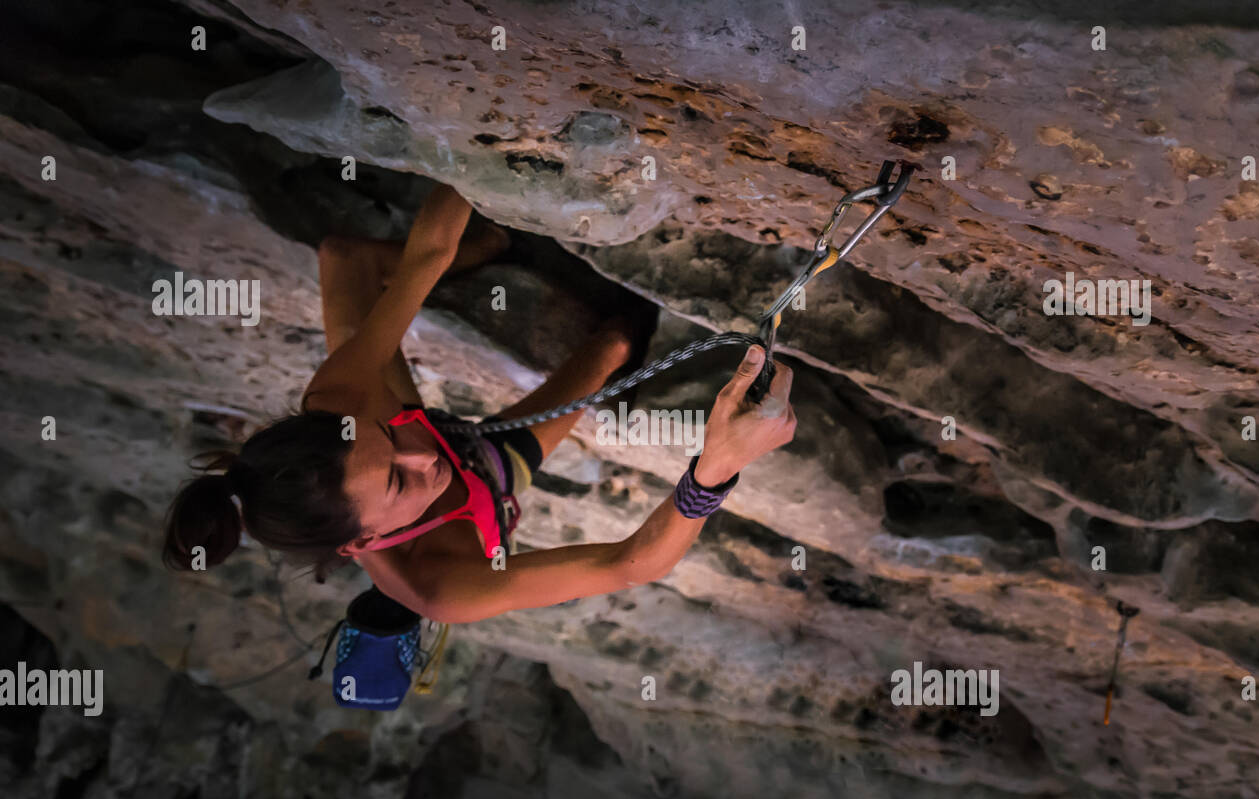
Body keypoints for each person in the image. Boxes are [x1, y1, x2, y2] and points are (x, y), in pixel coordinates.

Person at [163, 183, 796, 624]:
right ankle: (616, 342)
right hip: (489, 478)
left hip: (437, 429)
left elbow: (425, 260)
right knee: (612, 344)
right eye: (395, 482)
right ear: (363, 544)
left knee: (344, 257)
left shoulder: (339, 406)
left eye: (386, 446)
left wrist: (479, 142)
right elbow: (627, 564)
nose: (419, 463)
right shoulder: (441, 588)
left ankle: (489, 248)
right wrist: (713, 470)